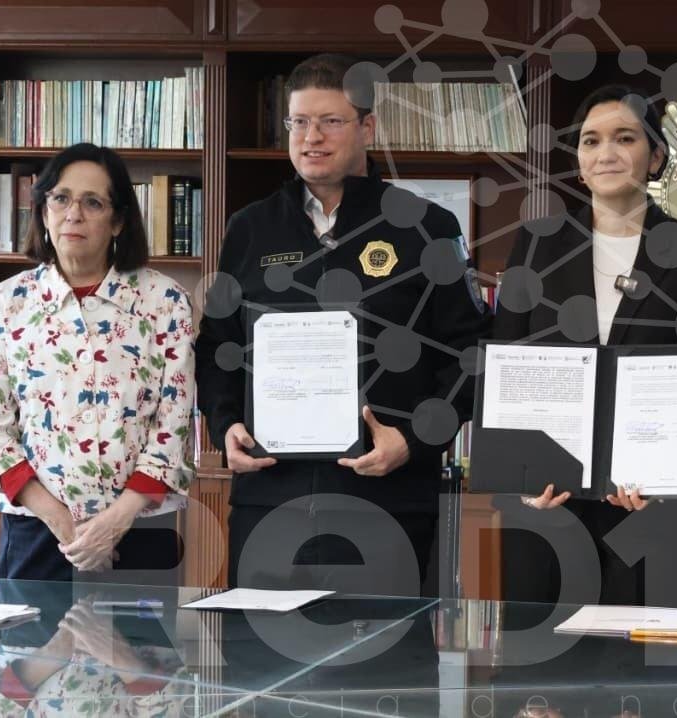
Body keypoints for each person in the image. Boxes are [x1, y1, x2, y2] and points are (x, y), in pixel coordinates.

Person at [195, 53, 490, 595]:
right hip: (271, 500)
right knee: (259, 646)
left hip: (389, 500)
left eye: (331, 121)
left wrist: (414, 441)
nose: (312, 137)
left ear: (367, 128)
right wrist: (225, 424)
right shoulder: (249, 228)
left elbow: (471, 355)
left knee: (389, 648)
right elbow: (217, 347)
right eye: (299, 122)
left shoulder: (426, 227)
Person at [492, 85, 677, 608]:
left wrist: (668, 474)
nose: (605, 152)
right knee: (542, 657)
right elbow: (505, 367)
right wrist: (521, 471)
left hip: (654, 512)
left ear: (655, 157)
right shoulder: (536, 246)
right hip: (548, 508)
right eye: (591, 141)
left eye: (624, 138)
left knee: (648, 657)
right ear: (579, 164)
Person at [0, 143, 195, 582]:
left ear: (118, 221)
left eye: (92, 202)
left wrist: (114, 522)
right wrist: (65, 524)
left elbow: (175, 425)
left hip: (140, 528)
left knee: (140, 633)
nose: (73, 214)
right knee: (30, 632)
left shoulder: (165, 301)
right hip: (38, 530)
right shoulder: (7, 302)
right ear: (43, 212)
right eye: (60, 198)